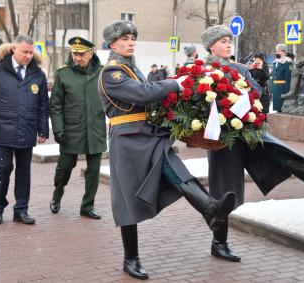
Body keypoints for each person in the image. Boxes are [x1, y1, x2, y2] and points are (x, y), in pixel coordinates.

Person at [99, 20, 236, 280]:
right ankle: (131, 259)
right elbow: (141, 93)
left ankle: (210, 208)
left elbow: (148, 95)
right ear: (112, 44)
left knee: (175, 168)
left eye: (133, 38)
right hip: (127, 141)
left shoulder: (131, 68)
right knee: (127, 200)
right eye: (125, 39)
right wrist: (176, 84)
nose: (131, 42)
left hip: (147, 135)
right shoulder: (112, 72)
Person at [202, 25, 304, 262]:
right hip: (224, 138)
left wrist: (243, 87)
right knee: (226, 193)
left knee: (283, 155)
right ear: (211, 46)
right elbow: (196, 102)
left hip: (249, 130)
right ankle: (219, 243)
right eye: (223, 41)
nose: (229, 44)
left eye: (230, 40)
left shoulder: (241, 68)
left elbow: (256, 91)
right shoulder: (200, 71)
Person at [0, 35, 49, 225]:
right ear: (13, 50)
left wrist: (43, 129)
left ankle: (21, 210)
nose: (28, 56)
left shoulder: (37, 74)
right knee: (4, 167)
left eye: (31, 52)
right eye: (24, 52)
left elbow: (43, 105)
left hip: (27, 129)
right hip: (2, 129)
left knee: (24, 171)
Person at [49, 36, 106, 219]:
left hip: (96, 129)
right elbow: (55, 104)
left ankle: (87, 206)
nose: (77, 58)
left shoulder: (102, 73)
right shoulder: (63, 74)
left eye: (81, 54)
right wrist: (58, 129)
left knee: (93, 171)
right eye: (75, 53)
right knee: (64, 167)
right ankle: (57, 193)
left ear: (91, 53)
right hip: (71, 130)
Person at [270, 43, 292, 112]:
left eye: (279, 51)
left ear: (284, 52)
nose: (277, 53)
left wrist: (286, 91)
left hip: (283, 88)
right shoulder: (275, 62)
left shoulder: (287, 63)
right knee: (277, 108)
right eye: (276, 51)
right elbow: (273, 77)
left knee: (283, 108)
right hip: (276, 87)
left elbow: (288, 78)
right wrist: (272, 88)